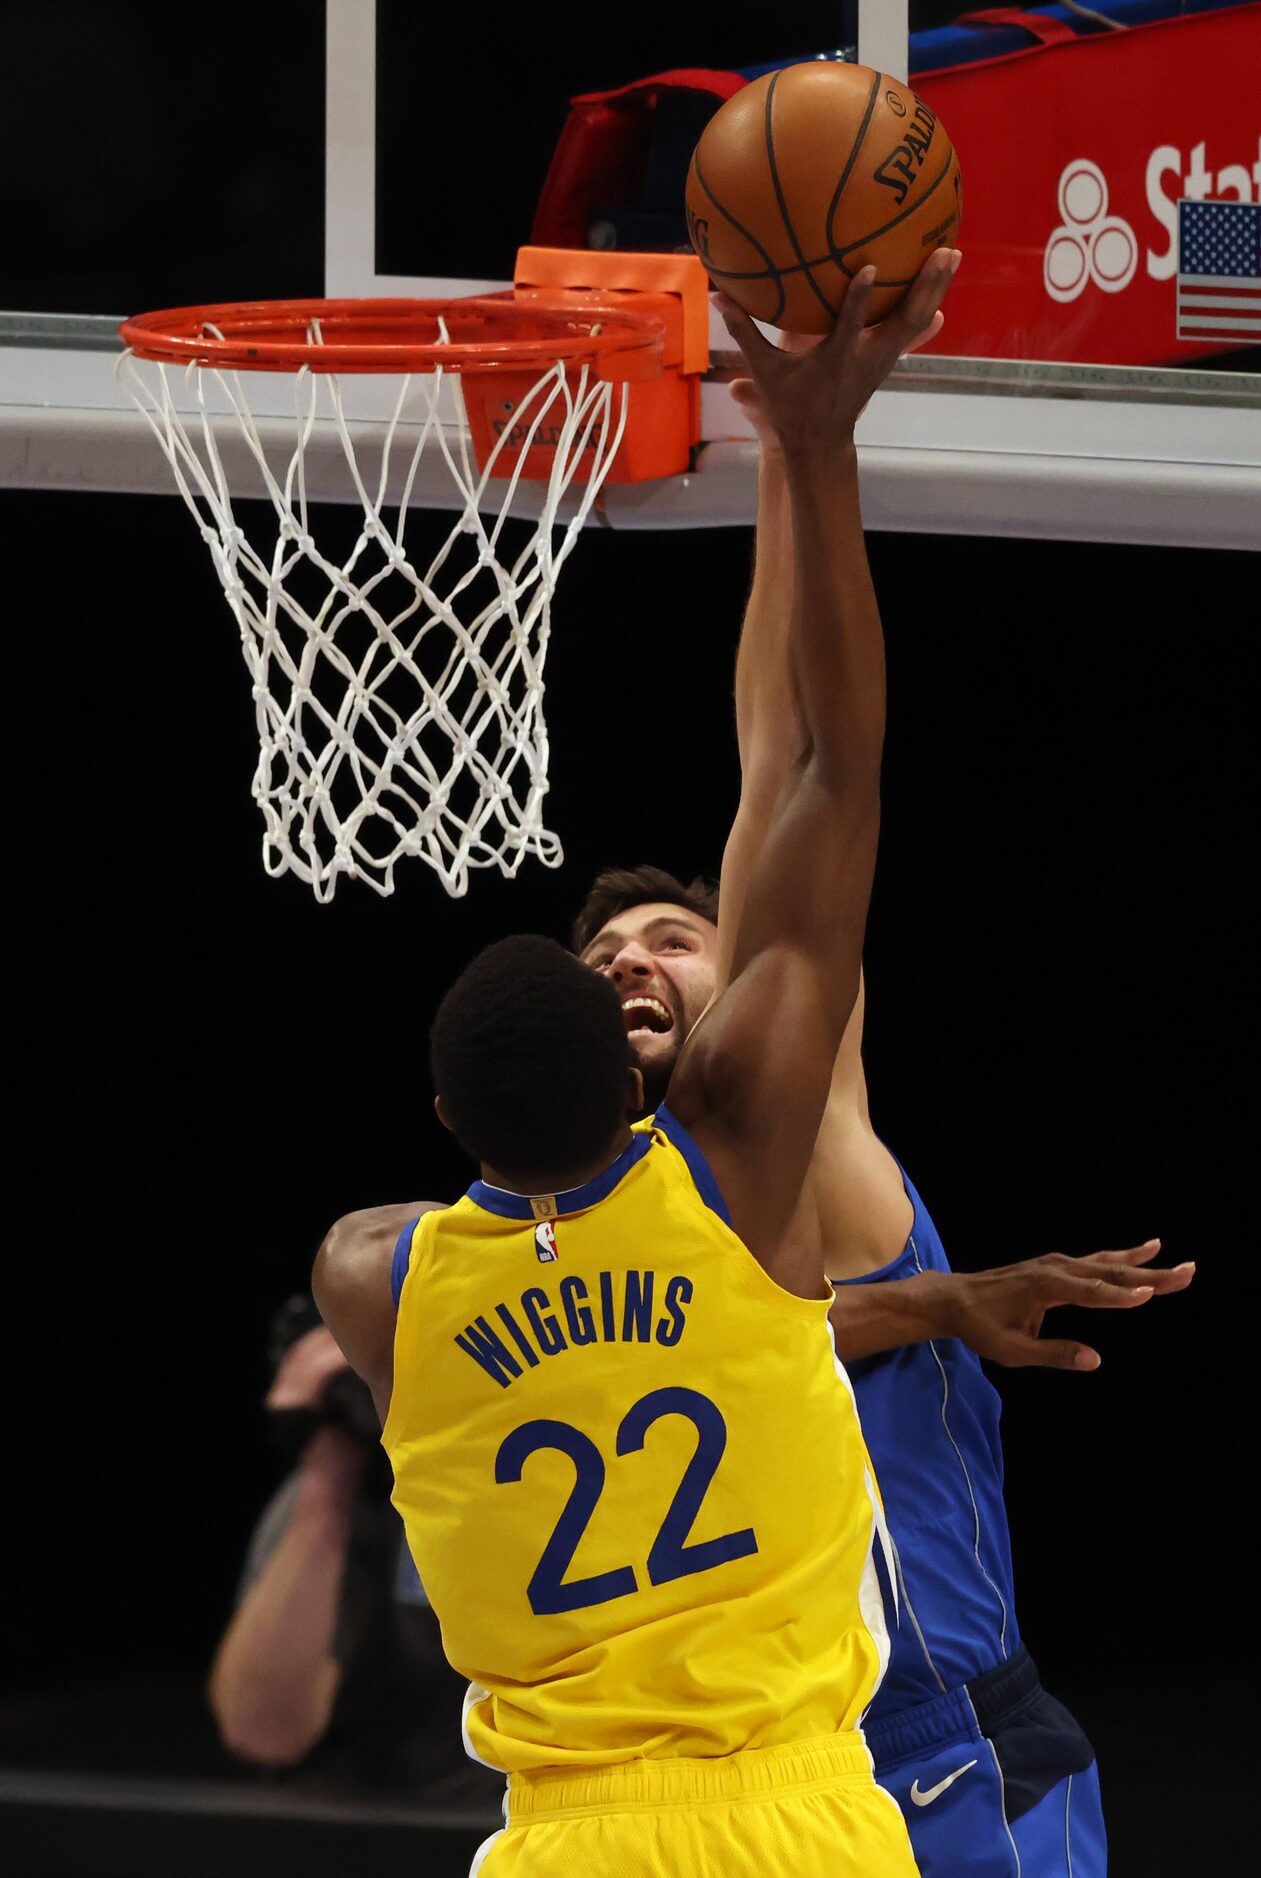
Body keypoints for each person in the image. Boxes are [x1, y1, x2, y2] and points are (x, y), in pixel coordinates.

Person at [314, 253, 963, 1878]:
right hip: (801, 1803)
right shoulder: (741, 1157)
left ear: (453, 1112)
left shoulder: (374, 1272)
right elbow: (819, 767)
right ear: (629, 1075)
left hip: (566, 1838)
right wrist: (810, 442)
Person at [566, 333, 1196, 1873]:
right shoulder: (558, 1225)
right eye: (600, 953)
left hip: (941, 1752)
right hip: (739, 1789)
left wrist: (800, 454)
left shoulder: (787, 1128)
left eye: (671, 938)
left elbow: (790, 760)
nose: (631, 959)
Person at [208, 1301, 502, 1808]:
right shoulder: (326, 1505)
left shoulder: (536, 1479)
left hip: (505, 1825)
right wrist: (327, 1458)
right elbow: (262, 1732)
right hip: (349, 1831)